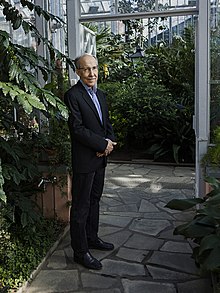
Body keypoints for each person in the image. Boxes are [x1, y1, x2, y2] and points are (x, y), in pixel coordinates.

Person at [64, 53, 117, 270]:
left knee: (94, 200)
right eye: (86, 69)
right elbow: (77, 129)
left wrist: (109, 143)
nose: (92, 73)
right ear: (78, 72)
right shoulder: (73, 95)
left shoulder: (101, 94)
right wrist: (100, 145)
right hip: (85, 160)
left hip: (99, 159)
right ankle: (80, 251)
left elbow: (107, 124)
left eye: (94, 68)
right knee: (81, 206)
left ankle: (92, 238)